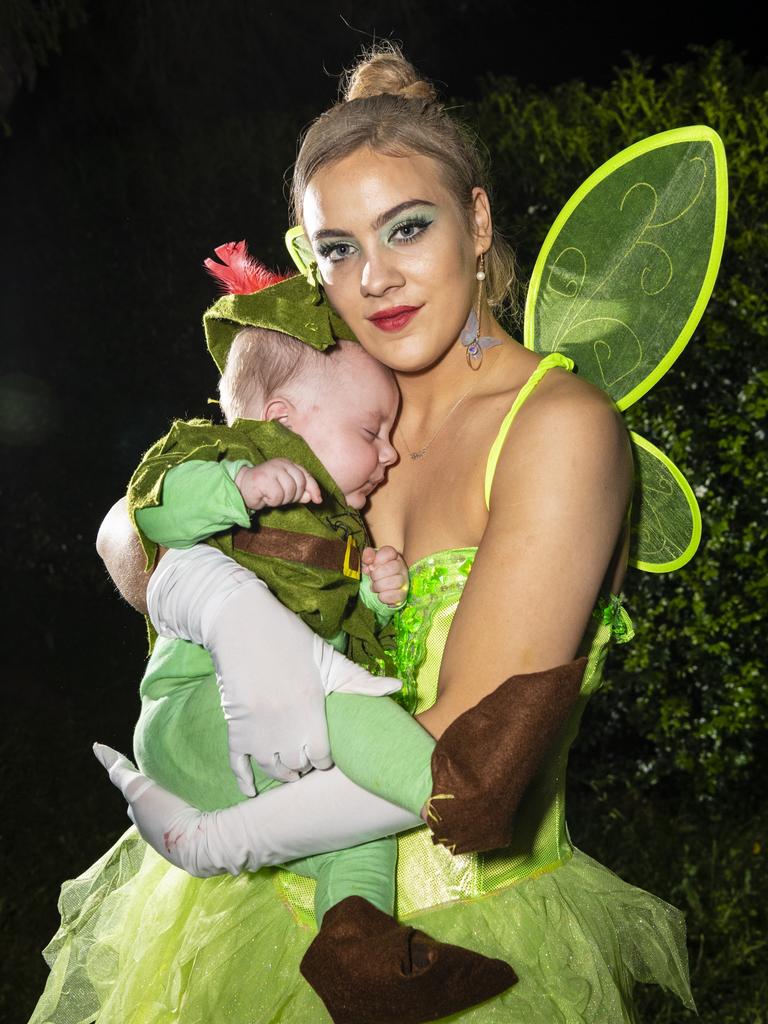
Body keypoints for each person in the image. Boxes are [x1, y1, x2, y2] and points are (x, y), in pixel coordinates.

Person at [30, 46, 695, 1024]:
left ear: (475, 222)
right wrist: (183, 556)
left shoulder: (556, 432)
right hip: (243, 899)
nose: (374, 278)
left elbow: (467, 769)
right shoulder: (341, 395)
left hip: (448, 925)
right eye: (338, 248)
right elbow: (128, 532)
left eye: (407, 228)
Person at [98, 248, 516, 1020]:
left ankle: (358, 945)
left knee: (353, 838)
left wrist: (383, 600)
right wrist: (238, 487)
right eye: (370, 428)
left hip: (275, 757)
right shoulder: (229, 453)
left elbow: (356, 630)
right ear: (285, 419)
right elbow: (156, 511)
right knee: (346, 706)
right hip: (199, 712)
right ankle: (457, 788)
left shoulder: (338, 522)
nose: (387, 453)